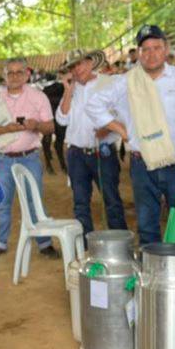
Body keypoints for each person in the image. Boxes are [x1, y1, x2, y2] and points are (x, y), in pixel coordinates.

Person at [90, 25, 175, 245]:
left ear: (166, 50)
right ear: (138, 53)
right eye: (145, 49)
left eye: (156, 48)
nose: (151, 53)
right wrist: (120, 129)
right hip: (142, 165)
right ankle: (152, 276)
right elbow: (94, 103)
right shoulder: (126, 81)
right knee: (146, 226)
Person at [0, 58, 57, 257]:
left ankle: (44, 243)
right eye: (10, 73)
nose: (14, 76)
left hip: (29, 156)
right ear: (4, 76)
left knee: (35, 200)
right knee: (2, 202)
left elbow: (50, 126)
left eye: (18, 72)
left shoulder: (38, 97)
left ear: (27, 75)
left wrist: (36, 126)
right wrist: (7, 128)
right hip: (3, 158)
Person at [56, 49, 126, 236]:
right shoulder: (72, 90)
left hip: (102, 151)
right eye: (72, 66)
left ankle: (121, 247)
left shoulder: (108, 83)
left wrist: (109, 127)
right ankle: (86, 249)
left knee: (112, 200)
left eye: (79, 64)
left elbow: (122, 114)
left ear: (89, 63)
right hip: (76, 153)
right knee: (80, 203)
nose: (77, 69)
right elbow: (62, 119)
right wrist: (68, 91)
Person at [41, 72, 68, 174]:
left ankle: (49, 165)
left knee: (47, 141)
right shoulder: (63, 87)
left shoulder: (45, 90)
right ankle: (62, 166)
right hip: (58, 119)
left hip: (49, 118)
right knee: (59, 143)